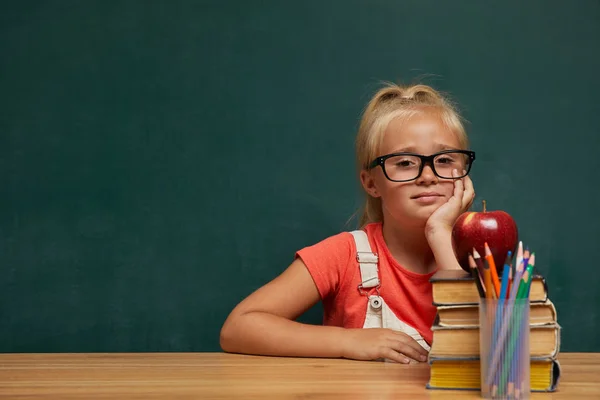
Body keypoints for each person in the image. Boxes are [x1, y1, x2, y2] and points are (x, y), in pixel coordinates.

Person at [220, 82, 476, 364]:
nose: (428, 176)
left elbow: (480, 349)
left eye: (444, 160)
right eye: (404, 162)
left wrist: (439, 234)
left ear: (463, 172)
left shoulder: (483, 253)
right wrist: (346, 340)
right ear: (371, 183)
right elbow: (238, 328)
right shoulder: (345, 255)